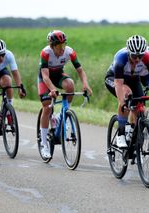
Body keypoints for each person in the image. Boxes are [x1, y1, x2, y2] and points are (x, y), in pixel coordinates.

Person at [38, 30, 92, 158]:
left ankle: (64, 112)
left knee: (70, 84)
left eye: (64, 45)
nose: (62, 49)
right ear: (52, 46)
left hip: (58, 75)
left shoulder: (69, 52)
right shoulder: (45, 53)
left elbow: (80, 70)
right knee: (46, 106)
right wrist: (52, 89)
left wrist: (85, 84)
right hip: (45, 78)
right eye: (59, 46)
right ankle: (44, 143)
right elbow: (45, 76)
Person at [105, 35, 149, 148]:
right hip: (114, 78)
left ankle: (132, 130)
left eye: (140, 56)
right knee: (127, 93)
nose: (137, 59)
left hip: (133, 79)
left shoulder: (147, 58)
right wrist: (122, 102)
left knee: (139, 102)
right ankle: (121, 134)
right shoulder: (121, 57)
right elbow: (118, 83)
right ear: (129, 53)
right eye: (134, 56)